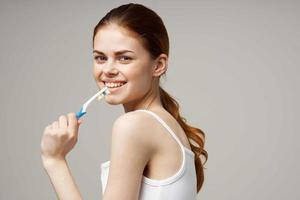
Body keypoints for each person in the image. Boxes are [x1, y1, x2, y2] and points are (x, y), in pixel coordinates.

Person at [40, 3, 208, 200]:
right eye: (100, 58)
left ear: (158, 65)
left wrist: (54, 160)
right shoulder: (164, 123)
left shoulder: (134, 125)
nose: (108, 70)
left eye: (124, 58)